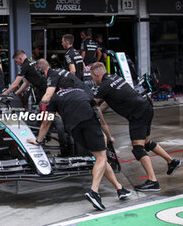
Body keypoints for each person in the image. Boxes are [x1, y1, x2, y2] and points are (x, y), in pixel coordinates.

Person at [27, 76, 131, 211]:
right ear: (73, 86)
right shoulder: (83, 93)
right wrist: (107, 133)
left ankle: (120, 188)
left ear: (60, 88)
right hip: (89, 123)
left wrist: (38, 140)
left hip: (74, 130)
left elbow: (47, 121)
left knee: (101, 159)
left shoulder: (56, 97)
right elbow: (99, 114)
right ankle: (94, 192)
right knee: (101, 157)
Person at [90, 62, 182, 192]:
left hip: (138, 115)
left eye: (92, 77)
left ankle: (153, 181)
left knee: (138, 149)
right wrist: (99, 108)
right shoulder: (116, 78)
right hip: (146, 107)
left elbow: (91, 103)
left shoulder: (103, 86)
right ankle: (171, 161)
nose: (93, 79)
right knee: (147, 142)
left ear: (96, 74)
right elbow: (107, 102)